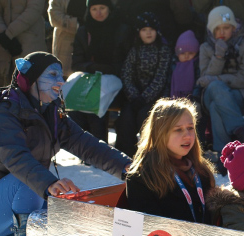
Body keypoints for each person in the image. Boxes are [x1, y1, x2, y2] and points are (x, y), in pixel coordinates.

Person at [0, 52, 132, 236]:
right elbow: (16, 158)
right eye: (52, 75)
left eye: (61, 75)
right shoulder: (6, 111)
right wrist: (48, 183)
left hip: (15, 197)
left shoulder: (51, 112)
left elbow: (87, 145)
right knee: (31, 184)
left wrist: (129, 168)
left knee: (68, 205)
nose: (61, 81)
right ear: (31, 80)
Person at [125, 98, 216, 224]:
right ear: (160, 133)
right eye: (178, 129)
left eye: (190, 128)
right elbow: (149, 231)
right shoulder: (143, 177)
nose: (188, 136)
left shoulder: (202, 171)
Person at [198, 5, 244, 154]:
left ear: (233, 27)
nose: (222, 32)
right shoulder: (205, 48)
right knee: (216, 88)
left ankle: (223, 153)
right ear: (211, 30)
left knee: (216, 106)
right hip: (211, 93)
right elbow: (205, 80)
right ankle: (241, 132)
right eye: (217, 28)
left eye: (226, 27)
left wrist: (217, 78)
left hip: (241, 95)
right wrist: (218, 56)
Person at [70, 0, 130, 142]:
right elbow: (76, 63)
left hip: (118, 82)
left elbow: (128, 61)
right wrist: (91, 67)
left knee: (95, 101)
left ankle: (98, 150)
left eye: (102, 8)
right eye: (94, 9)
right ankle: (86, 149)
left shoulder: (122, 30)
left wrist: (112, 69)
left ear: (109, 9)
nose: (98, 12)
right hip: (90, 80)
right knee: (76, 106)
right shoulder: (84, 31)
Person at [115, 12, 172, 157]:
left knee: (144, 116)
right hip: (135, 96)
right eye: (144, 30)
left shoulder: (163, 50)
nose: (148, 33)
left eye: (151, 29)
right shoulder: (135, 50)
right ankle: (126, 154)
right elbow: (126, 73)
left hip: (154, 96)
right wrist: (134, 96)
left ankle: (149, 153)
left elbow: (161, 77)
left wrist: (145, 97)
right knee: (126, 118)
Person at [0, 0, 48, 87]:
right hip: (5, 49)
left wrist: (8, 34)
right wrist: (1, 33)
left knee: (31, 89)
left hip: (29, 45)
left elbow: (34, 10)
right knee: (7, 90)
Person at [48, 0, 87, 78]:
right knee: (63, 78)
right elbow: (54, 16)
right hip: (64, 44)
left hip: (88, 42)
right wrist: (78, 25)